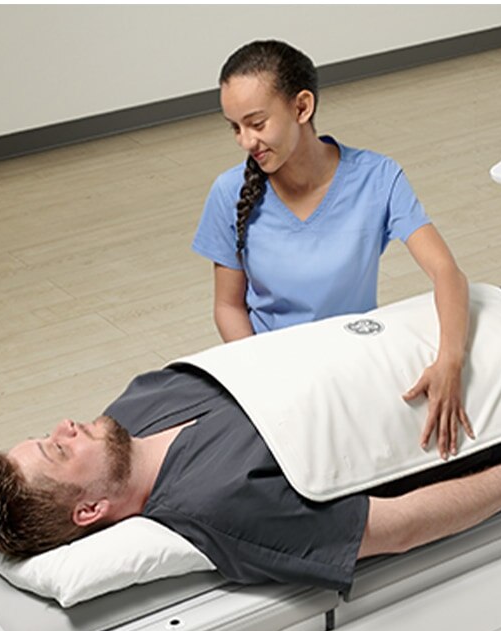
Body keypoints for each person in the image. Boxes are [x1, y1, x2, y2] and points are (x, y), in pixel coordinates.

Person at [0, 230, 501, 593]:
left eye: (47, 434)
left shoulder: (138, 404)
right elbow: (396, 527)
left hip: (476, 323)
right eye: (58, 452)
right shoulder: (220, 511)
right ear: (91, 511)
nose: (65, 428)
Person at [192, 39, 472, 460]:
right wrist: (262, 377)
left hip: (353, 363)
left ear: (302, 107)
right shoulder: (228, 193)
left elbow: (446, 272)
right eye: (235, 128)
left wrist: (450, 360)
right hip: (273, 373)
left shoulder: (378, 178)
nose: (246, 141)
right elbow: (228, 306)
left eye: (257, 123)